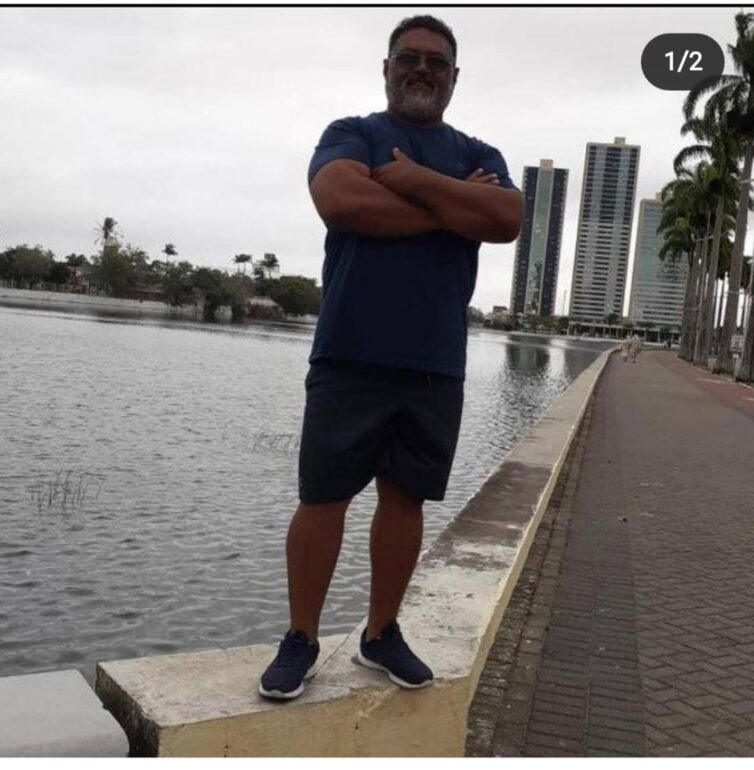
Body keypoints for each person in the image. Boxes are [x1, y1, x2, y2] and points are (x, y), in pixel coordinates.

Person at [258, 14, 523, 701]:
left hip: (435, 362)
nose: (422, 69)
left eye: (437, 62)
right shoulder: (353, 133)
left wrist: (410, 181)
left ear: (454, 78)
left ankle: (380, 634)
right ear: (386, 68)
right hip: (349, 352)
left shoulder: (480, 150)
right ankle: (301, 637)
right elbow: (342, 201)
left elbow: (505, 219)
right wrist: (454, 205)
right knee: (323, 498)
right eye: (410, 57)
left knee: (406, 501)